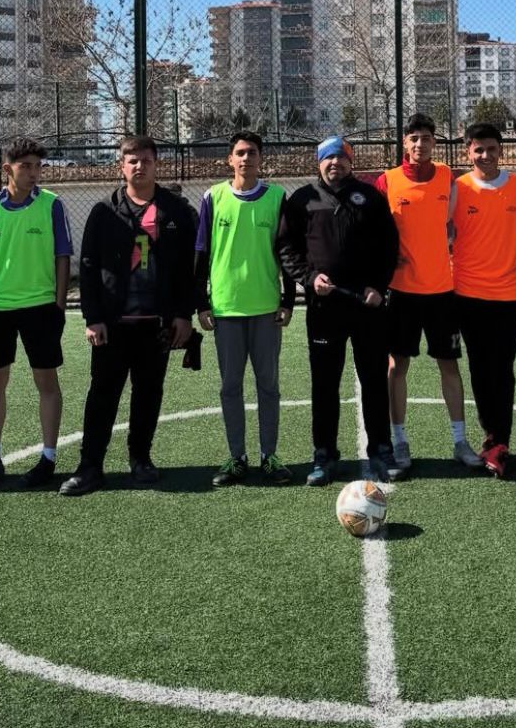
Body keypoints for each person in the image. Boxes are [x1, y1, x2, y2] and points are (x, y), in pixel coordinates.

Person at [59, 136, 196, 496]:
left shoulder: (176, 211)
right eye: (132, 160)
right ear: (121, 166)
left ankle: (140, 458)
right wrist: (92, 318)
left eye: (146, 160)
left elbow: (189, 269)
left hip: (157, 324)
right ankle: (90, 466)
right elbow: (89, 267)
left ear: (156, 164)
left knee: (148, 393)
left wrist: (183, 314)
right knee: (102, 395)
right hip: (113, 324)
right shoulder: (104, 211)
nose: (139, 166)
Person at [278, 136, 400, 485]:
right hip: (324, 307)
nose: (335, 164)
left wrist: (379, 286)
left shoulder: (370, 197)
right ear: (319, 162)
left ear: (351, 162)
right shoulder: (303, 200)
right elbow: (287, 248)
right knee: (325, 383)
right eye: (328, 158)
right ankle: (324, 454)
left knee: (373, 379)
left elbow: (389, 246)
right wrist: (309, 278)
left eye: (342, 158)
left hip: (367, 305)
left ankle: (381, 449)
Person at [376, 113, 483, 475]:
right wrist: (388, 255)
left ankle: (460, 441)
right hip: (401, 292)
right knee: (397, 366)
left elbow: (453, 224)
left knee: (449, 365)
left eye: (426, 138)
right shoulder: (387, 181)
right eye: (413, 138)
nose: (419, 144)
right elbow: (375, 230)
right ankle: (399, 441)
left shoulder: (447, 177)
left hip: (441, 291)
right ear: (404, 142)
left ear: (435, 142)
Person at [0, 137, 73, 489]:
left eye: (37, 166)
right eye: (25, 166)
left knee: (46, 382)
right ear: (7, 169)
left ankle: (48, 457)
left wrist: (59, 304)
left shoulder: (51, 204)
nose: (33, 173)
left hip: (40, 308)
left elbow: (62, 257)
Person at [196, 132, 294, 486]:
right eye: (240, 153)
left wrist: (287, 300)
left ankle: (270, 456)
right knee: (230, 386)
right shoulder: (213, 197)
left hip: (266, 307)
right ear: (229, 159)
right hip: (226, 308)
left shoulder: (277, 197)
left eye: (252, 152)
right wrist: (201, 302)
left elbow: (287, 253)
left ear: (260, 158)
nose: (246, 158)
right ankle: (236, 457)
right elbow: (202, 252)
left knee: (268, 385)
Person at [451, 123, 516, 478]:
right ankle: (491, 435)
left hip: (508, 293)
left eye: (491, 149)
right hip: (467, 293)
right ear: (468, 152)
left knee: (503, 368)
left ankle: (499, 441)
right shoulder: (457, 188)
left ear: (501, 150)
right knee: (479, 368)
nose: (485, 155)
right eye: (478, 149)